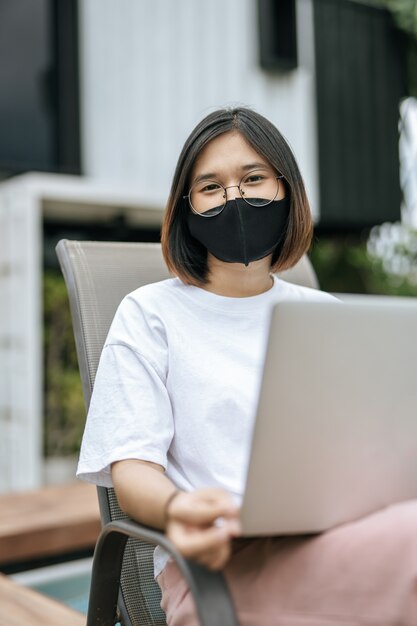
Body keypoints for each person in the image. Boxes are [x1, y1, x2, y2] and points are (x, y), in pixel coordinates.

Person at [77, 108, 417, 626]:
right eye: (211, 187)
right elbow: (132, 466)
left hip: (342, 543)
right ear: (185, 207)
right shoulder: (150, 314)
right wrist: (177, 511)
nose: (235, 197)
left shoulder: (325, 315)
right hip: (217, 574)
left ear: (288, 190)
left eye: (253, 178)